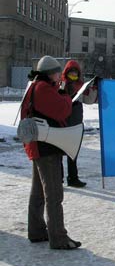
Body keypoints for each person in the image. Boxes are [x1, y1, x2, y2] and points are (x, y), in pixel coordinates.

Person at [21, 55, 81, 249]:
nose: (59, 75)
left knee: (38, 192)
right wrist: (65, 95)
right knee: (54, 194)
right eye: (57, 72)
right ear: (50, 73)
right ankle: (58, 237)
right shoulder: (43, 89)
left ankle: (37, 231)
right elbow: (63, 110)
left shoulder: (35, 86)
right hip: (46, 146)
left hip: (39, 145)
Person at [60, 60, 87, 188]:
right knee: (59, 152)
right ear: (67, 72)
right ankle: (58, 179)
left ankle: (73, 178)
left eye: (76, 71)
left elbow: (90, 98)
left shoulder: (81, 85)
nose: (74, 74)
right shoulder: (61, 84)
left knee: (73, 153)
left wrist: (95, 86)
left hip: (76, 124)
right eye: (71, 71)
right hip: (62, 123)